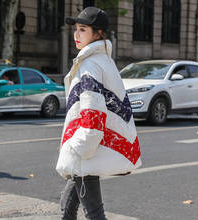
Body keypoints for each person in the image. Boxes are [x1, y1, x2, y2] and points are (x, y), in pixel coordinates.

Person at [56, 6, 142, 220]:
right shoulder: (105, 61)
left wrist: (81, 147)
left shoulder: (90, 65)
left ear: (98, 33)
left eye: (83, 29)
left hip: (87, 147)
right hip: (90, 146)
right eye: (76, 29)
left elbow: (93, 112)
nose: (76, 34)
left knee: (94, 213)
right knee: (68, 207)